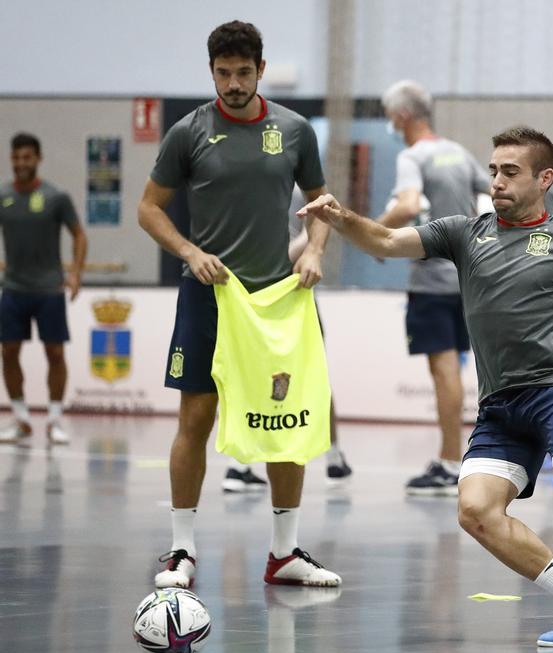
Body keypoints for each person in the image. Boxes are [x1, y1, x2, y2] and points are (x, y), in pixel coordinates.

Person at [300, 126, 553, 647]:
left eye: (511, 172)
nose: (497, 180)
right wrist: (341, 218)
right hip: (499, 405)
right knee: (475, 510)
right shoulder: (463, 233)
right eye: (494, 170)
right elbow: (384, 239)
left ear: (545, 179)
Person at [137, 20, 340, 588]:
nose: (233, 84)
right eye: (223, 73)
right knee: (196, 418)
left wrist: (316, 252)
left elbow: (322, 202)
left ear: (261, 71)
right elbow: (148, 208)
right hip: (209, 295)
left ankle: (285, 553)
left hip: (277, 298)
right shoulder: (188, 133)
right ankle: (181, 551)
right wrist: (187, 249)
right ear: (211, 72)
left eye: (243, 73)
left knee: (287, 418)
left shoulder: (295, 130)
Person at [377, 80, 491, 496]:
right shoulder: (458, 152)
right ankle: (459, 457)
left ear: (402, 116)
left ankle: (448, 461)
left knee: (444, 370)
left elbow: (407, 206)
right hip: (467, 278)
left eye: (390, 115)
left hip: (432, 281)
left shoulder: (413, 156)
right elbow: (493, 194)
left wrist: (378, 234)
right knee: (456, 369)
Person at [223, 188, 353, 492]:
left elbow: (313, 228)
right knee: (287, 375)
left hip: (285, 291)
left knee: (304, 374)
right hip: (269, 294)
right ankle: (240, 463)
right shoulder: (260, 184)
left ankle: (330, 456)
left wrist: (308, 250)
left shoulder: (294, 184)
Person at [0, 132, 87, 444]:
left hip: (49, 288)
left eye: (26, 157)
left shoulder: (56, 197)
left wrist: (75, 274)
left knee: (54, 353)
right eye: (16, 157)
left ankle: (54, 419)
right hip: (12, 288)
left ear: (37, 159)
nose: (20, 163)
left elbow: (79, 235)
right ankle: (21, 419)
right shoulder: (3, 195)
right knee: (8, 351)